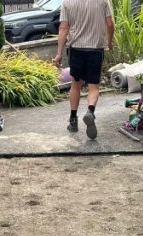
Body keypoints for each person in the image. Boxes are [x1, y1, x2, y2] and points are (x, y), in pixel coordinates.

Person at [53, 0, 113, 140]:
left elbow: (63, 27)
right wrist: (109, 43)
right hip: (96, 49)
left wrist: (59, 53)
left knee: (75, 85)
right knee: (93, 86)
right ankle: (90, 111)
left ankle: (73, 120)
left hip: (76, 49)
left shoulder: (67, 2)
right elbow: (110, 24)